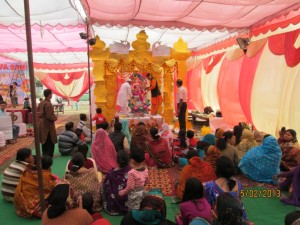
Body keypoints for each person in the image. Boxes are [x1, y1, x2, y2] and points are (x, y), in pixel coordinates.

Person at [103, 150, 131, 215]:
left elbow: (106, 186)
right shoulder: (132, 171)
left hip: (114, 203)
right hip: (128, 202)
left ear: (117, 161)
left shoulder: (111, 173)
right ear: (128, 161)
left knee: (103, 186)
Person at [38, 89, 57, 157]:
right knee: (49, 138)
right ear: (49, 94)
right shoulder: (48, 104)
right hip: (47, 124)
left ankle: (44, 153)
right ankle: (49, 154)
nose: (52, 95)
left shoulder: (42, 102)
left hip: (42, 122)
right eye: (51, 94)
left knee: (44, 138)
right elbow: (49, 116)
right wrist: (55, 118)